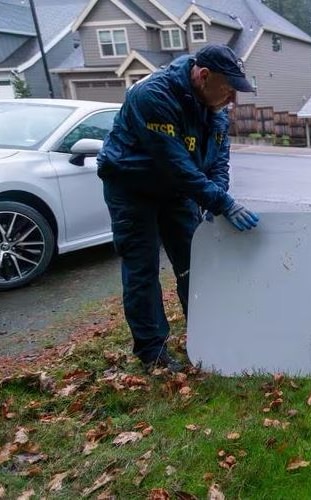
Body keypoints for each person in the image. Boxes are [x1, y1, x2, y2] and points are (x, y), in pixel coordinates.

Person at [98, 44, 260, 372]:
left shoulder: (215, 108)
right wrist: (221, 201)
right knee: (142, 268)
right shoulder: (153, 95)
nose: (233, 100)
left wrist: (218, 197)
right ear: (203, 76)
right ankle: (152, 351)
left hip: (176, 190)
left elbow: (218, 160)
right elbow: (175, 163)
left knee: (195, 263)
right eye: (228, 90)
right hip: (132, 185)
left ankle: (206, 334)